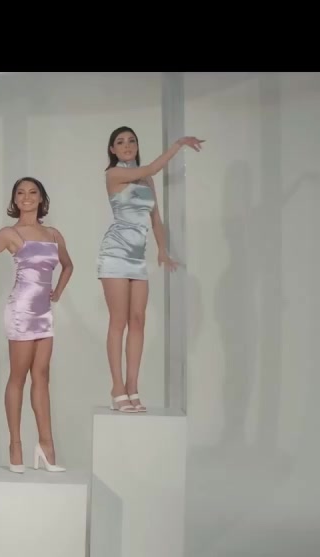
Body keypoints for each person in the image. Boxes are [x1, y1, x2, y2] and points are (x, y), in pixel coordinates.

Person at [0, 177, 72, 472]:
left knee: (42, 376)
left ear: (41, 198)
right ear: (14, 200)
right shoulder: (11, 233)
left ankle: (46, 446)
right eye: (20, 193)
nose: (26, 197)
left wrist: (58, 292)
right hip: (20, 310)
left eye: (32, 192)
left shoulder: (53, 234)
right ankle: (15, 446)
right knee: (18, 376)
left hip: (44, 313)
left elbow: (68, 265)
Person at [99, 126, 203, 413]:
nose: (127, 145)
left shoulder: (146, 179)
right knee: (118, 321)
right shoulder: (114, 174)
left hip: (137, 257)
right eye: (120, 142)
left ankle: (132, 386)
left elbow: (156, 218)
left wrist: (162, 250)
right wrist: (178, 144)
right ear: (112, 149)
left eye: (132, 140)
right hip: (115, 253)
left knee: (138, 320)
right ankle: (117, 387)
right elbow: (154, 167)